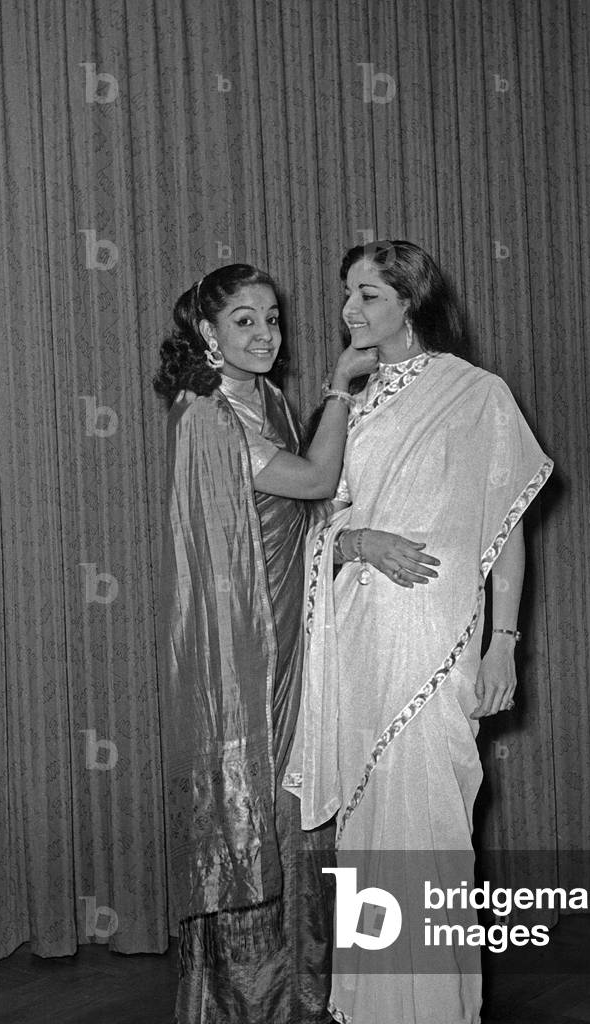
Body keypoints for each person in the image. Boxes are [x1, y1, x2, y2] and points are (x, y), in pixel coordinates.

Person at [284, 241, 554, 1024]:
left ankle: (437, 1009)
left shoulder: (476, 395)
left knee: (433, 823)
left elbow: (506, 528)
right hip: (362, 637)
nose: (349, 311)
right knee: (369, 827)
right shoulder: (351, 406)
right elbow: (310, 526)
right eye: (346, 295)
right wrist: (357, 542)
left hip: (439, 639)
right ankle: (369, 1008)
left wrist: (505, 641)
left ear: (411, 301)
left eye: (368, 295)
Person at [153, 263, 377, 1023]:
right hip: (249, 650)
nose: (264, 335)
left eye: (273, 319)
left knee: (302, 796)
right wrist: (343, 388)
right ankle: (249, 997)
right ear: (207, 333)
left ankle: (306, 983)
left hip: (301, 624)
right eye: (244, 321)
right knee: (261, 799)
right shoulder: (209, 417)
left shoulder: (271, 399)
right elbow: (315, 480)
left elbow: (310, 514)